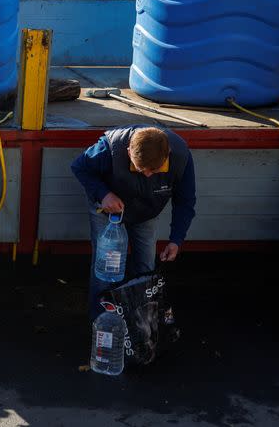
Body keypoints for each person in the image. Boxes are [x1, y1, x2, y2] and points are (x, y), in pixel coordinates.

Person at [71, 125, 196, 320]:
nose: (147, 174)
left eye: (155, 170)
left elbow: (185, 201)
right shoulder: (108, 149)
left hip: (146, 212)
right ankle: (102, 322)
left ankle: (139, 324)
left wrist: (176, 239)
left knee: (146, 268)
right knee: (107, 270)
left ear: (168, 154)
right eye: (140, 169)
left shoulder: (181, 157)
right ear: (128, 151)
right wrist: (103, 194)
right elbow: (80, 167)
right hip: (108, 212)